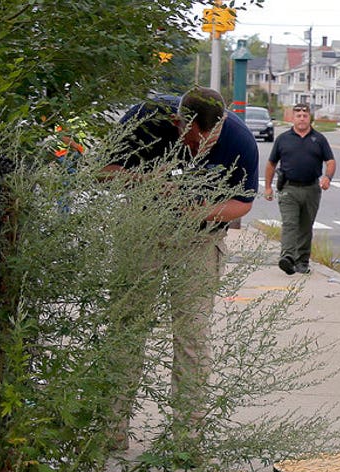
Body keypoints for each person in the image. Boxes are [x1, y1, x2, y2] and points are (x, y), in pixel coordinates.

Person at [104, 86, 259, 441]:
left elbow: (242, 202)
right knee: (126, 329)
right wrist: (146, 182)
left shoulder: (239, 138)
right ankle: (109, 432)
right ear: (178, 122)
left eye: (211, 138)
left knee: (192, 338)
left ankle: (185, 441)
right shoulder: (145, 117)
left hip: (198, 241)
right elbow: (102, 169)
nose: (204, 145)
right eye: (195, 139)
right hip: (142, 230)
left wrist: (197, 211)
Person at [264, 102, 336, 275]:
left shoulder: (319, 139)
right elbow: (271, 163)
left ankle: (302, 261)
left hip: (311, 189)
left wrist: (327, 177)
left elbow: (331, 161)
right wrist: (267, 187)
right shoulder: (283, 139)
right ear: (292, 118)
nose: (302, 118)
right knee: (290, 223)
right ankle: (287, 257)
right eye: (298, 115)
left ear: (309, 117)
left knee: (305, 226)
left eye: (305, 115)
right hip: (289, 188)